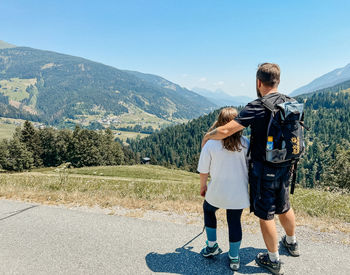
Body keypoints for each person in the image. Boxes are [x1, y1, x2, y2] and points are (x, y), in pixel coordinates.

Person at [201, 63, 300, 275]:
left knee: (266, 215)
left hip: (264, 169)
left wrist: (208, 136)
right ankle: (291, 243)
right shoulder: (291, 103)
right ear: (278, 81)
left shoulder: (257, 105)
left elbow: (228, 130)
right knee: (284, 205)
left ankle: (273, 260)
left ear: (258, 82)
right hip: (287, 165)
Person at [197, 107, 250, 271]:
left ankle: (212, 246)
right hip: (239, 193)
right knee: (234, 222)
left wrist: (203, 186)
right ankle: (234, 257)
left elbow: (204, 171)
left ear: (220, 124)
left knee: (208, 209)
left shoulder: (211, 144)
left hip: (217, 191)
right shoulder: (246, 143)